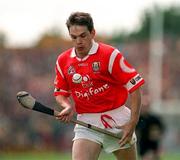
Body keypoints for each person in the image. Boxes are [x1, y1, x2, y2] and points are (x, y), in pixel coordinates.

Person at [54, 12, 145, 160]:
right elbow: (61, 93)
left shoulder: (110, 54)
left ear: (93, 33)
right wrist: (67, 106)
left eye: (83, 36)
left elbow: (135, 88)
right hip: (86, 122)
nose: (78, 41)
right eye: (74, 37)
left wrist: (132, 123)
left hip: (118, 121)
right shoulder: (63, 60)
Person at [136, 94, 165, 160]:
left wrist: (157, 134)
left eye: (146, 106)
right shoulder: (138, 119)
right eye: (143, 106)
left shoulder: (154, 119)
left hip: (153, 145)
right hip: (143, 145)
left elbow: (162, 130)